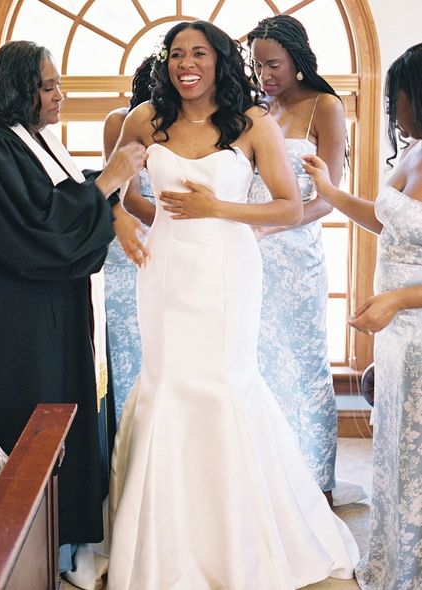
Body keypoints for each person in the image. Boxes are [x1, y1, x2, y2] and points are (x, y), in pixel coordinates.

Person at [106, 20, 359, 589]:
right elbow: (120, 187)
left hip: (228, 271)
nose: (185, 63)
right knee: (166, 384)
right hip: (166, 271)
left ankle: (236, 539)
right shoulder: (145, 118)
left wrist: (217, 210)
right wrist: (126, 218)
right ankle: (164, 540)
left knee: (222, 386)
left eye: (198, 52)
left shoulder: (253, 124)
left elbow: (290, 208)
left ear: (219, 61)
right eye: (175, 53)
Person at [0, 40, 145, 567]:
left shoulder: (31, 140)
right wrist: (110, 178)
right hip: (5, 323)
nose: (61, 95)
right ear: (18, 90)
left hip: (44, 310)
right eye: (49, 86)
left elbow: (63, 199)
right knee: (22, 417)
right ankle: (26, 552)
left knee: (60, 410)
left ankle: (66, 532)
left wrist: (106, 195)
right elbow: (38, 230)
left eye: (59, 84)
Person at [303, 42, 422, 590]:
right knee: (397, 452)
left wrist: (398, 299)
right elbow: (382, 220)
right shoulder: (413, 151)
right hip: (398, 336)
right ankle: (398, 562)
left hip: (414, 324)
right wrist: (329, 191)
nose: (393, 109)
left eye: (397, 96)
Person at [245, 14, 347, 506]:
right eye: (258, 65)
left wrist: (276, 222)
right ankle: (267, 479)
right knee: (257, 364)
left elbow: (330, 199)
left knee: (304, 363)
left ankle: (316, 482)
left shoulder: (324, 107)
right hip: (249, 252)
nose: (265, 75)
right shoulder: (254, 110)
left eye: (274, 65)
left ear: (297, 60)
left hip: (296, 255)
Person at [103, 55, 156, 424]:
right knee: (128, 345)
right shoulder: (121, 121)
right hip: (129, 240)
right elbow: (127, 196)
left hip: (172, 245)